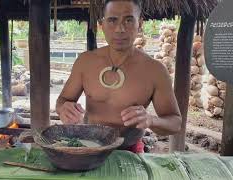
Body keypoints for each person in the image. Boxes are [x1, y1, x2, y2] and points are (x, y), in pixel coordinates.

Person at [55, 0, 182, 153]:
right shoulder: (85, 62)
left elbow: (175, 123)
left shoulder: (155, 70)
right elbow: (62, 101)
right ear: (102, 24)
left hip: (129, 149)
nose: (120, 29)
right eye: (112, 20)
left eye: (128, 20)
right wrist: (64, 109)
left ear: (140, 24)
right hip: (87, 146)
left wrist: (151, 120)